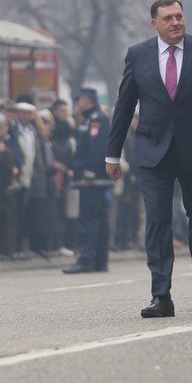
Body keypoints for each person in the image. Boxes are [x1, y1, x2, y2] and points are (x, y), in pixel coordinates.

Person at [105, 0, 192, 318]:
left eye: (179, 16)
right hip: (154, 152)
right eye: (168, 18)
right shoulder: (138, 55)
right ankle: (161, 295)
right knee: (157, 221)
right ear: (155, 23)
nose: (175, 23)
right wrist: (112, 154)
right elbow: (124, 106)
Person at [64, 88, 111, 274]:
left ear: (86, 100)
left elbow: (96, 148)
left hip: (92, 179)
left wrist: (89, 173)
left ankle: (86, 260)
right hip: (98, 178)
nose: (78, 104)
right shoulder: (96, 117)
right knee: (100, 219)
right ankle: (100, 261)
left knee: (89, 220)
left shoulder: (96, 119)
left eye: (79, 100)